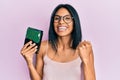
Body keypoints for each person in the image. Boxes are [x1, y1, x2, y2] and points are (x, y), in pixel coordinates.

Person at [20, 4, 96, 80]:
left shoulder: (84, 48)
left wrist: (86, 61)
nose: (61, 22)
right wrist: (29, 63)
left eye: (67, 18)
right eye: (57, 18)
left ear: (74, 22)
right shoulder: (43, 47)